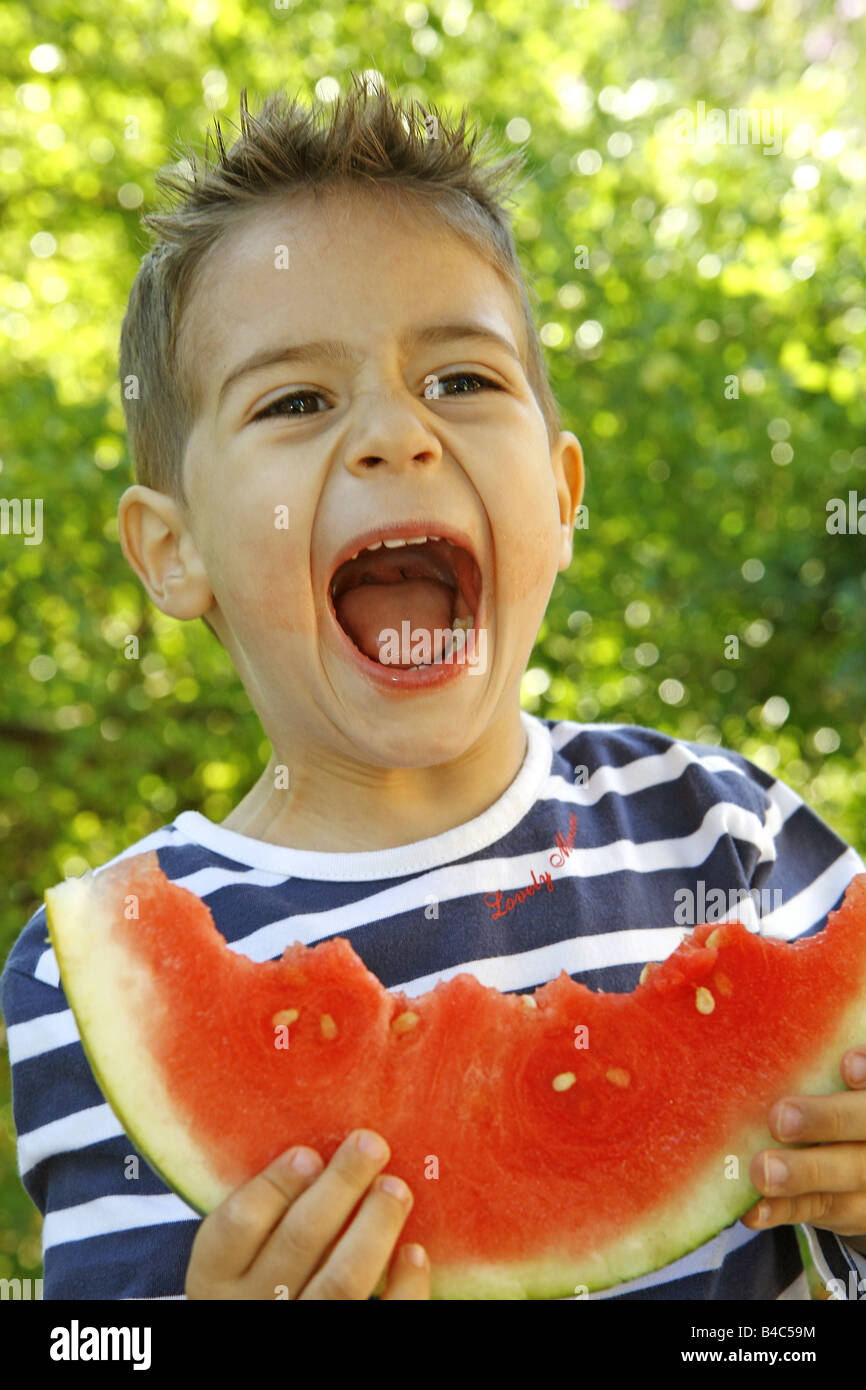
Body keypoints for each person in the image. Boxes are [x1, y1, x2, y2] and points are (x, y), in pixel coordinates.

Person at [3, 75, 866, 1301]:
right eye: (295, 399)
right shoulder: (84, 971)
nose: (395, 433)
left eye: (461, 379)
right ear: (172, 550)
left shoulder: (735, 828)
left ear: (562, 497)